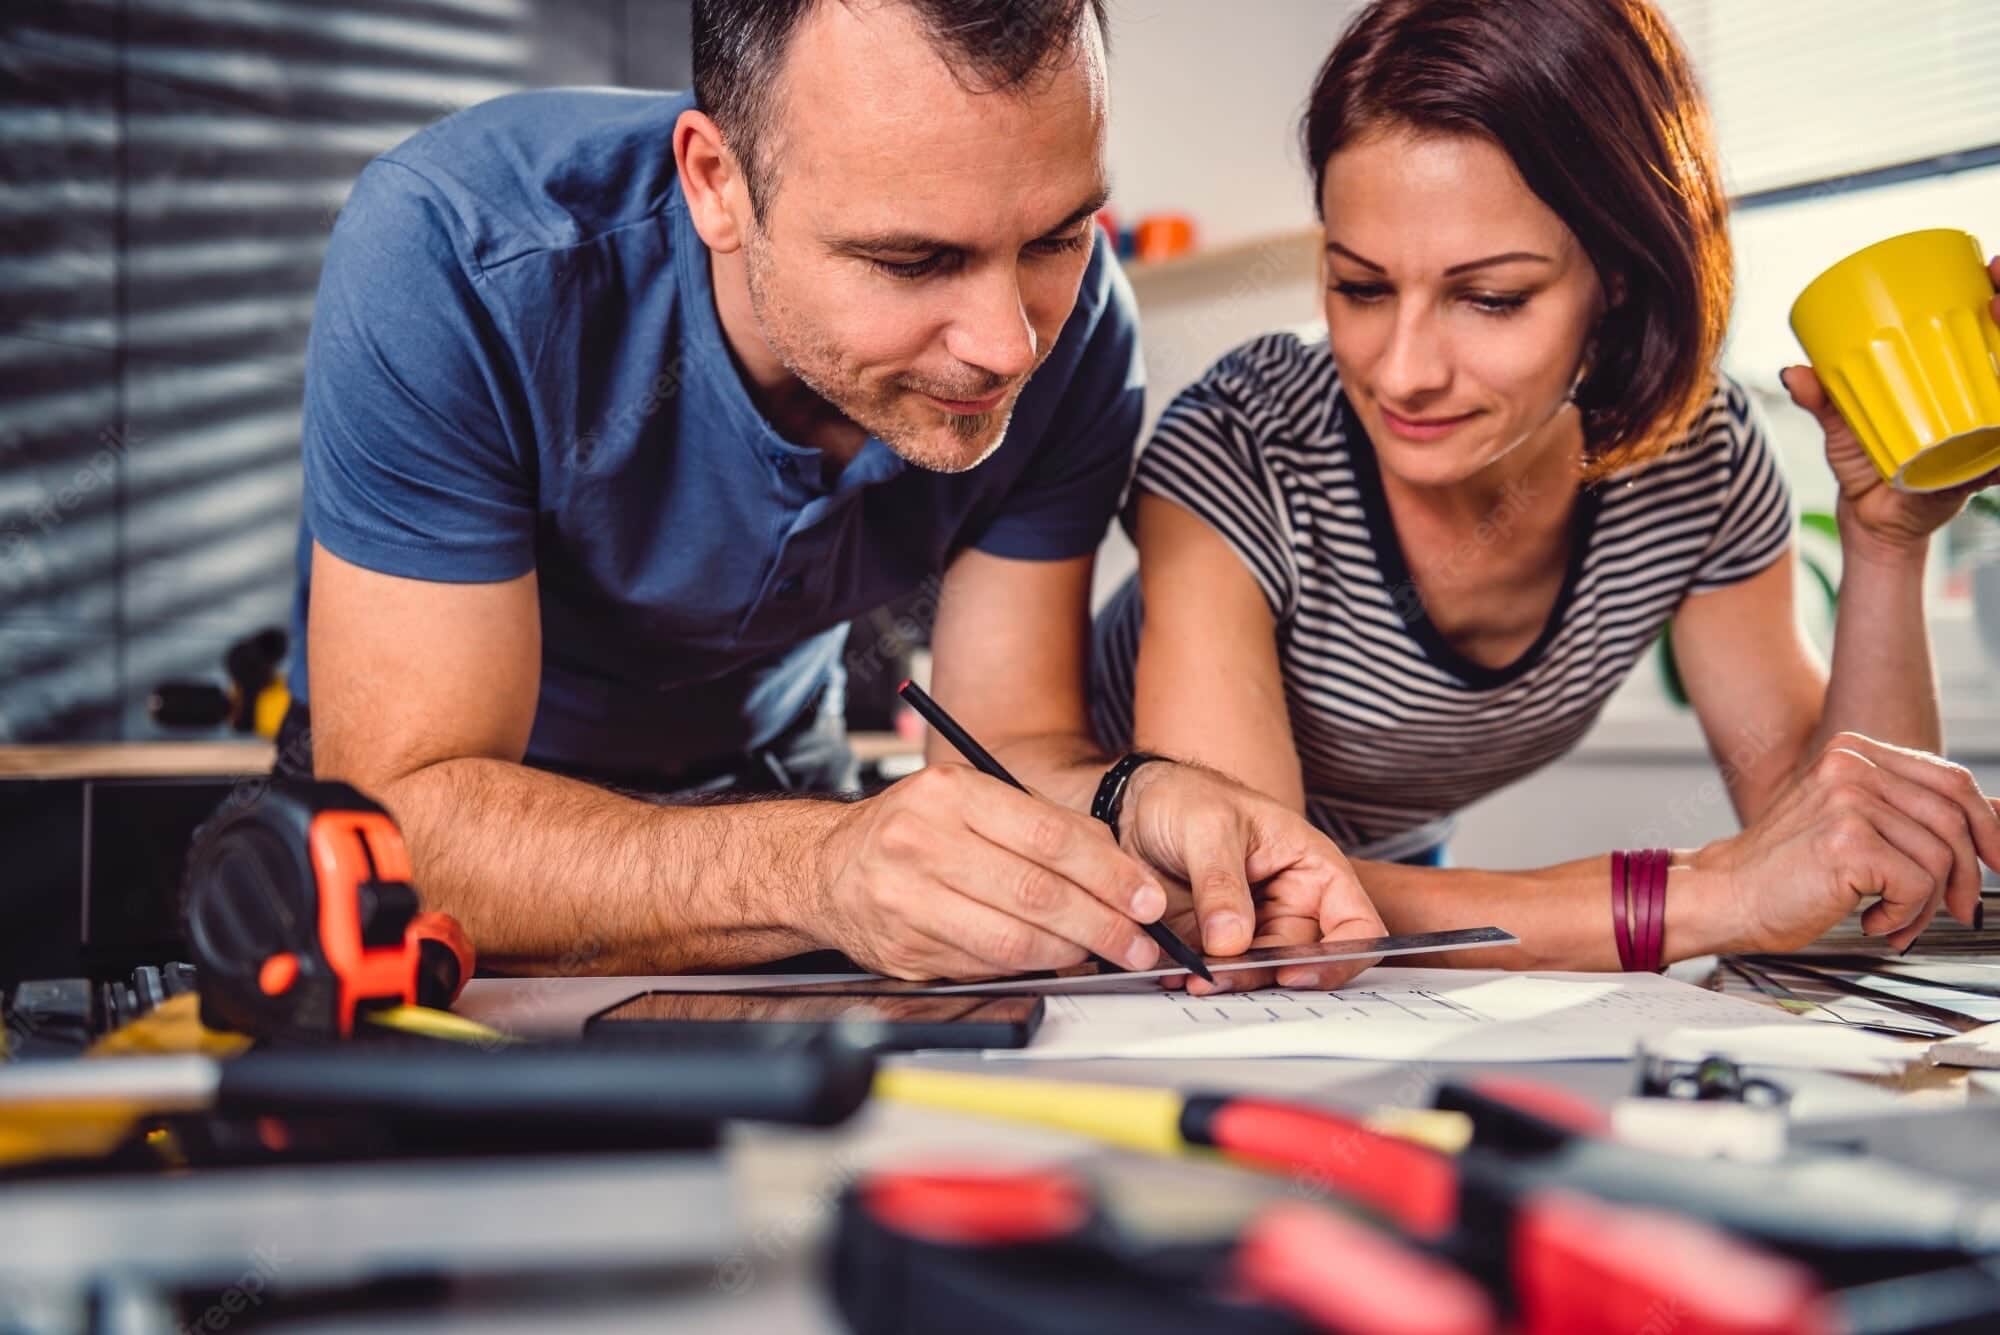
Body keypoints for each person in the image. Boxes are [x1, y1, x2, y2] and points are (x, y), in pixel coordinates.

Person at [285, 0, 1383, 984]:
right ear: (716, 184)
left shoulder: (1080, 333)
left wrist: (1139, 799)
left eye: (1055, 237)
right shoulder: (458, 254)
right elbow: (403, 821)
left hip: (779, 797)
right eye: (912, 262)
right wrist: (817, 865)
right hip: (491, 838)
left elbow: (1007, 747)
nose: (1007, 346)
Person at [1091, 0, 2000, 973]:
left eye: (1488, 298)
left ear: (1616, 274)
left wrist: (1884, 540)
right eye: (1359, 286)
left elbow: (1839, 852)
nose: (1402, 372)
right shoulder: (1242, 443)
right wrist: (1705, 896)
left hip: (1401, 901)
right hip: (1114, 913)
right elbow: (1254, 900)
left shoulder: (1694, 460)